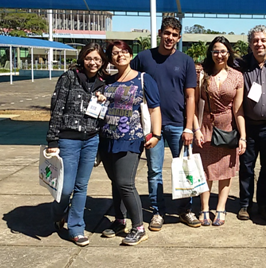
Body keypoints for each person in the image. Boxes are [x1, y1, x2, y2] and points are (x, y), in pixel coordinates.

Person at [130, 17, 200, 230]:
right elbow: (127, 77)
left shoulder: (185, 61)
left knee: (185, 169)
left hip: (179, 124)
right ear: (160, 33)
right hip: (152, 127)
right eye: (167, 33)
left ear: (179, 38)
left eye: (174, 35)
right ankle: (157, 212)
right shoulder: (143, 58)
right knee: (154, 170)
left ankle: (185, 210)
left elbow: (190, 97)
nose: (170, 38)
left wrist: (189, 127)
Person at [99, 40, 162, 246]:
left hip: (131, 138)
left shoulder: (143, 79)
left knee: (125, 182)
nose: (120, 55)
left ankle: (138, 228)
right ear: (110, 58)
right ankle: (119, 220)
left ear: (130, 54)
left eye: (124, 51)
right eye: (115, 53)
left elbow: (154, 108)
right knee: (115, 182)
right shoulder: (108, 80)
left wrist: (156, 134)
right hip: (107, 137)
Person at [46, 42, 108, 247]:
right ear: (83, 58)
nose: (93, 62)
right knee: (65, 188)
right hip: (68, 139)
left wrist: (103, 100)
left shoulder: (102, 82)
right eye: (89, 58)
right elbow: (57, 109)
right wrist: (52, 140)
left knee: (81, 187)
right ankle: (57, 212)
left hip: (91, 139)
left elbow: (104, 114)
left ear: (102, 62)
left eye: (97, 59)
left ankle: (76, 228)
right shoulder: (69, 78)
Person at [193, 36, 246, 226]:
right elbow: (192, 104)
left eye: (223, 51)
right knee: (205, 171)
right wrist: (196, 129)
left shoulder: (237, 76)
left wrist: (243, 137)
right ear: (211, 53)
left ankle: (221, 208)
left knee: (226, 171)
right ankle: (204, 208)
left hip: (227, 129)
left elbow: (238, 109)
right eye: (216, 51)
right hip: (206, 126)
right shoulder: (202, 74)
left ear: (228, 53)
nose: (219, 55)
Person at [233, 25, 266, 221]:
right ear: (250, 44)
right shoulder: (241, 64)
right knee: (246, 166)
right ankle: (245, 204)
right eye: (255, 40)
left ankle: (264, 204)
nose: (259, 43)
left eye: (263, 40)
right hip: (249, 126)